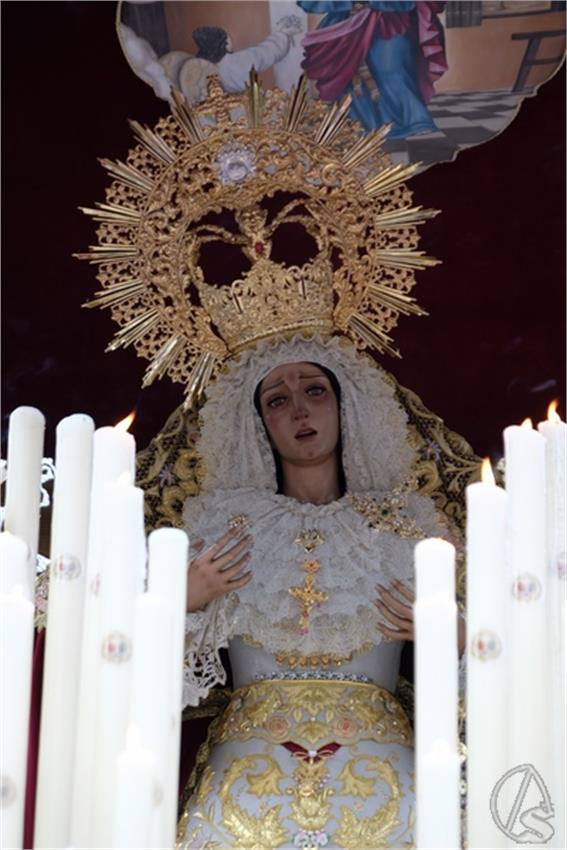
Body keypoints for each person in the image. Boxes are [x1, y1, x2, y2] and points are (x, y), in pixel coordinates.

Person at [177, 335, 465, 849]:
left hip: (384, 789)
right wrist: (183, 599)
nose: (299, 411)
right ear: (258, 424)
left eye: (314, 391)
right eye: (277, 400)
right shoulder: (222, 532)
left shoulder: (406, 530)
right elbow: (137, 673)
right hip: (245, 792)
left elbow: (498, 660)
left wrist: (449, 632)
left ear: (344, 403)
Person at [297, 1, 447, 138]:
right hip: (349, 24)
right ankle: (364, 124)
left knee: (391, 67)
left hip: (390, 19)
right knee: (352, 75)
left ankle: (414, 120)